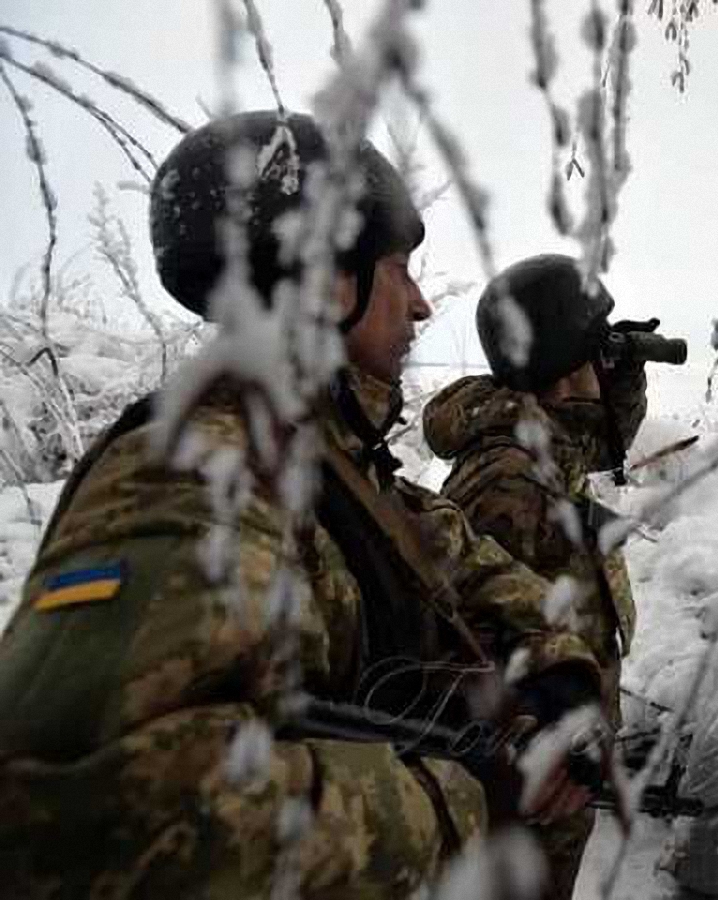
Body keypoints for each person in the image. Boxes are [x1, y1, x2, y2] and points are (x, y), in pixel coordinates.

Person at [0, 113, 599, 898]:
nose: (421, 305)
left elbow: (460, 562)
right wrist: (460, 795)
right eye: (400, 268)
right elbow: (91, 812)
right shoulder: (195, 472)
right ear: (331, 278)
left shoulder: (326, 464)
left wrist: (559, 677)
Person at [423, 255, 650, 900]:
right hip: (523, 795)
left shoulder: (542, 447)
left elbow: (601, 439)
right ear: (566, 359)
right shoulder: (511, 483)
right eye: (595, 350)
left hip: (554, 779)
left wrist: (622, 375)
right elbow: (459, 644)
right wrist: (537, 750)